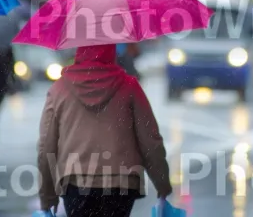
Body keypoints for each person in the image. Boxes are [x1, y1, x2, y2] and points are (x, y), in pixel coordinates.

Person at [37, 44, 172, 217]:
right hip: (121, 183)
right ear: (111, 51)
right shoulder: (129, 86)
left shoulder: (59, 89)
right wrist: (162, 184)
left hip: (76, 183)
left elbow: (46, 146)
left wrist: (47, 197)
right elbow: (150, 141)